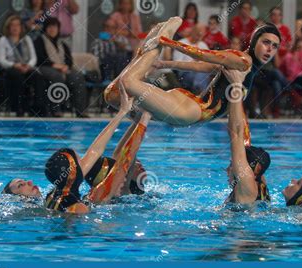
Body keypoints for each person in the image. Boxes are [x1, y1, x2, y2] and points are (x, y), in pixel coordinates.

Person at [104, 17, 281, 130]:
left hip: (189, 105)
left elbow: (201, 66)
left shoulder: (244, 67)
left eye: (274, 46)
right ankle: (165, 33)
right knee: (127, 84)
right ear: (255, 40)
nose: (269, 49)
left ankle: (147, 49)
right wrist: (167, 42)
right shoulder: (243, 60)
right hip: (189, 111)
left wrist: (164, 64)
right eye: (266, 42)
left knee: (113, 96)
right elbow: (203, 54)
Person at [2, 84, 151, 213]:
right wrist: (146, 117)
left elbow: (95, 150)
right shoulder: (93, 198)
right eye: (79, 161)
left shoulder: (54, 194)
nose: (84, 161)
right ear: (73, 173)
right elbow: (125, 158)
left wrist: (122, 113)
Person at [222, 68, 271, 204]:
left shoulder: (247, 186)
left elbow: (235, 134)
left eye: (232, 165)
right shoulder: (258, 182)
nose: (227, 170)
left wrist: (236, 86)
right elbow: (241, 135)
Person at [34, 17, 88, 118]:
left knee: (78, 76)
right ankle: (57, 110)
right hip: (44, 67)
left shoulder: (61, 43)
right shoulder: (39, 41)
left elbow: (69, 60)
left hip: (62, 68)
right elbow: (39, 59)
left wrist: (65, 66)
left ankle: (80, 110)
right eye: (50, 27)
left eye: (55, 27)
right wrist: (55, 65)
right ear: (45, 28)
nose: (52, 29)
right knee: (57, 76)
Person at [0, 15, 45, 117]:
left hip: (26, 67)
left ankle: (37, 107)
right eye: (12, 25)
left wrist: (28, 66)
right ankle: (19, 107)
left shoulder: (27, 39)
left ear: (21, 27)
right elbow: (2, 60)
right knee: (17, 76)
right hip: (10, 68)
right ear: (8, 27)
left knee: (37, 76)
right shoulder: (3, 40)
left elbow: (33, 58)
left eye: (17, 25)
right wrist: (15, 65)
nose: (15, 27)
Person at [172, 24, 210, 94]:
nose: (199, 37)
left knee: (203, 73)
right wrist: (193, 62)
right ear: (192, 32)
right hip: (185, 72)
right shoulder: (181, 43)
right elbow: (176, 64)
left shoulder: (203, 45)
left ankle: (199, 91)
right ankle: (201, 94)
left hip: (200, 71)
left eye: (201, 35)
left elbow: (208, 62)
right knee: (199, 75)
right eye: (198, 34)